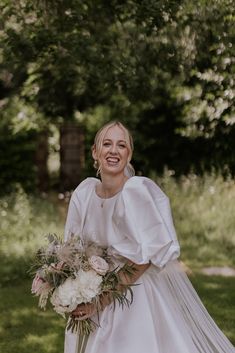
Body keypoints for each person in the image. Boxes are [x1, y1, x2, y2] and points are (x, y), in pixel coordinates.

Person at [63, 121, 235, 353]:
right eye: (107, 144)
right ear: (95, 151)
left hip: (133, 296)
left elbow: (143, 259)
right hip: (95, 293)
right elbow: (72, 249)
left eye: (121, 145)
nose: (114, 151)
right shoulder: (84, 193)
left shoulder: (136, 191)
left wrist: (101, 301)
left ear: (129, 154)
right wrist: (62, 283)